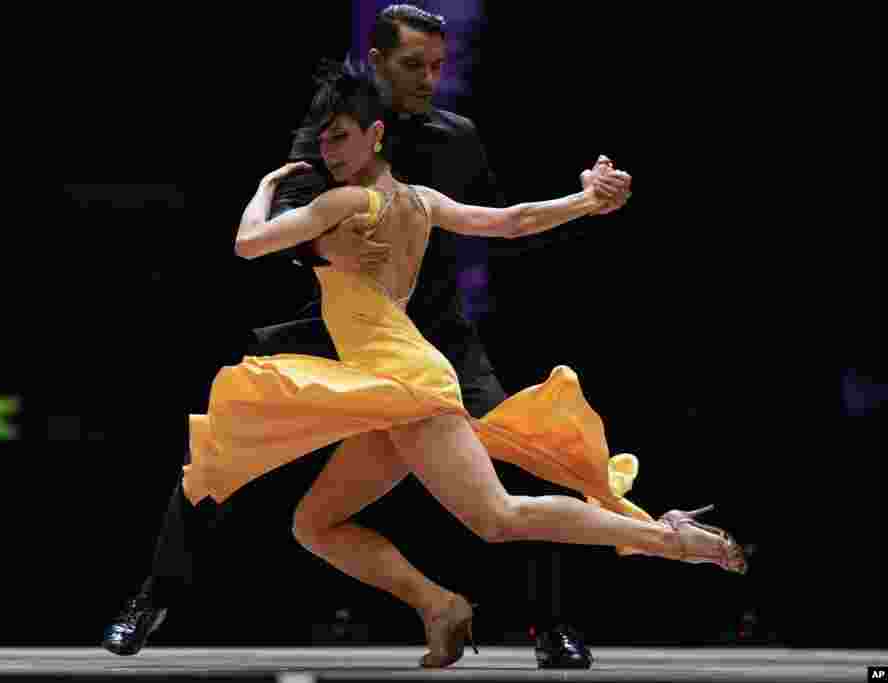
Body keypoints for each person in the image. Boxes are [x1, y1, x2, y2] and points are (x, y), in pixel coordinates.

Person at [102, 4, 630, 667]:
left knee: (524, 448)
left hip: (435, 336)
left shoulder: (458, 136)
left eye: (438, 67)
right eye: (413, 66)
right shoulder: (332, 133)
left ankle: (550, 623)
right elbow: (289, 229)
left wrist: (585, 198)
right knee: (223, 438)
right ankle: (153, 595)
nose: (429, 79)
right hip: (343, 328)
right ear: (376, 64)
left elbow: (504, 220)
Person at [179, 59, 746, 670]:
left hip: (404, 382)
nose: (330, 148)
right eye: (324, 137)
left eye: (341, 135)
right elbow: (514, 222)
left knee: (498, 517)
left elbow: (247, 243)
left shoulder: (342, 202)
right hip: (392, 383)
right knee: (315, 523)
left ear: (375, 136)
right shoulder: (420, 202)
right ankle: (439, 606)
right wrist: (585, 200)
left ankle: (673, 542)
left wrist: (266, 186)